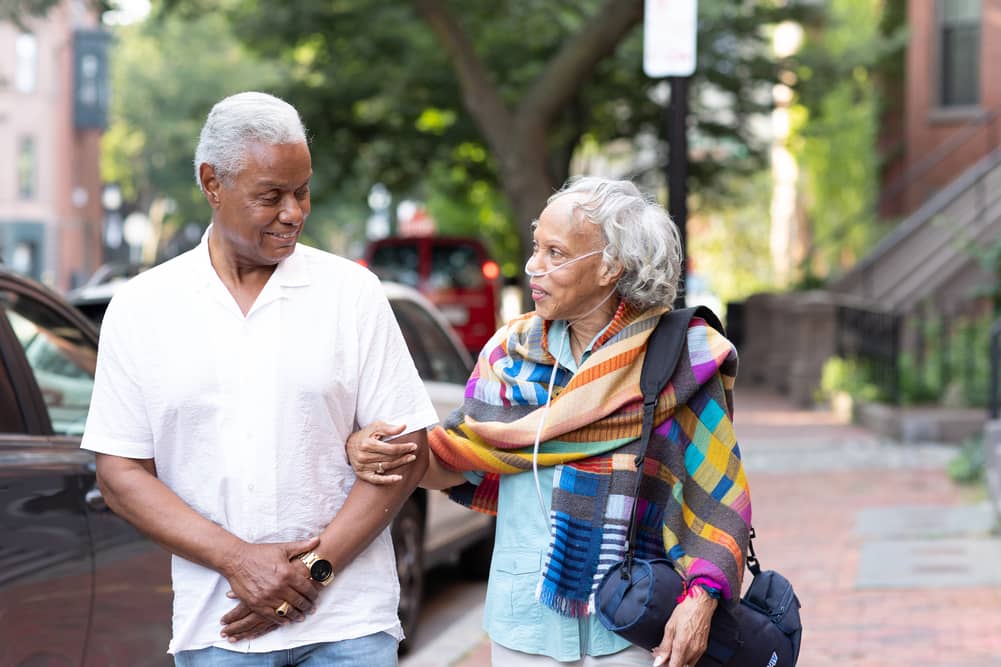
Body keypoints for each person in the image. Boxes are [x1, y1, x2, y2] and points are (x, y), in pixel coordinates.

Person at [81, 91, 437, 666]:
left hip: (348, 625)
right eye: (271, 196)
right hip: (220, 628)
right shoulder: (142, 307)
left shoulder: (351, 294)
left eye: (302, 192)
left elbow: (408, 451)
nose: (294, 212)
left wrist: (313, 572)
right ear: (212, 183)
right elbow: (121, 470)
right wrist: (237, 560)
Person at [348, 177, 752, 667]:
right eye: (536, 247)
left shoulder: (682, 359)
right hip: (524, 623)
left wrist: (701, 601)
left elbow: (718, 493)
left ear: (610, 267)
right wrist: (376, 447)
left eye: (555, 254)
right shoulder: (508, 356)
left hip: (632, 627)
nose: (532, 267)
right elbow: (454, 462)